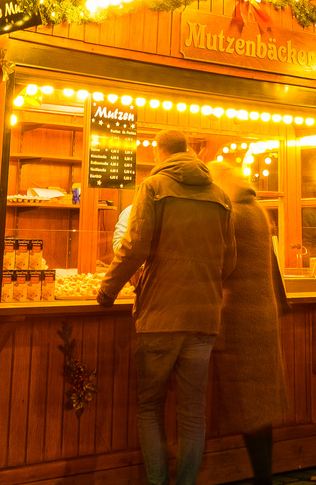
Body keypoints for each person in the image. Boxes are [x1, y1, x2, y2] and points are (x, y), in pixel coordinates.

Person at [98, 130, 235, 485]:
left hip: (160, 316)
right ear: (189, 152)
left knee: (149, 407)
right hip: (204, 318)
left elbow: (135, 246)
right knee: (192, 412)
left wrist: (107, 290)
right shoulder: (220, 195)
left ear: (161, 153)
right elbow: (229, 261)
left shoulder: (154, 187)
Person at [210, 164, 291, 485]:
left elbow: (218, 265)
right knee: (260, 403)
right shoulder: (257, 211)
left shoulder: (231, 216)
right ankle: (264, 475)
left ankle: (261, 477)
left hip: (238, 317)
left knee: (249, 404)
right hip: (262, 314)